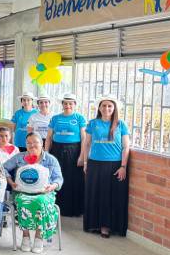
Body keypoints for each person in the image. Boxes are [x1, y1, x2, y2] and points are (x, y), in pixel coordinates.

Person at [4, 133, 62, 253]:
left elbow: (58, 179)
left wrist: (52, 186)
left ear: (42, 143)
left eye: (35, 142)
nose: (32, 145)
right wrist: (10, 181)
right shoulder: (19, 157)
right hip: (22, 192)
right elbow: (3, 168)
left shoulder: (51, 160)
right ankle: (25, 236)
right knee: (22, 201)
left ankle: (39, 237)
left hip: (44, 193)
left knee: (41, 201)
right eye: (28, 143)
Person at [82, 95, 130, 238]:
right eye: (104, 105)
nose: (106, 108)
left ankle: (108, 226)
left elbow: (126, 147)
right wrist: (85, 162)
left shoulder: (121, 124)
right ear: (99, 107)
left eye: (110, 106)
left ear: (114, 108)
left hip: (114, 165)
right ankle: (96, 224)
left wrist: (123, 166)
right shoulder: (92, 123)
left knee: (110, 196)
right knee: (96, 194)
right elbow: (87, 144)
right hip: (95, 164)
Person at [46, 93, 86, 217]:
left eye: (70, 103)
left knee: (73, 179)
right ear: (62, 104)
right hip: (57, 150)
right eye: (65, 103)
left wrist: (82, 156)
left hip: (74, 151)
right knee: (57, 177)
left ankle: (73, 209)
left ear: (74, 105)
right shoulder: (55, 118)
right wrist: (46, 153)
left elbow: (84, 138)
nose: (67, 105)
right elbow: (49, 137)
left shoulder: (79, 118)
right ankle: (56, 207)